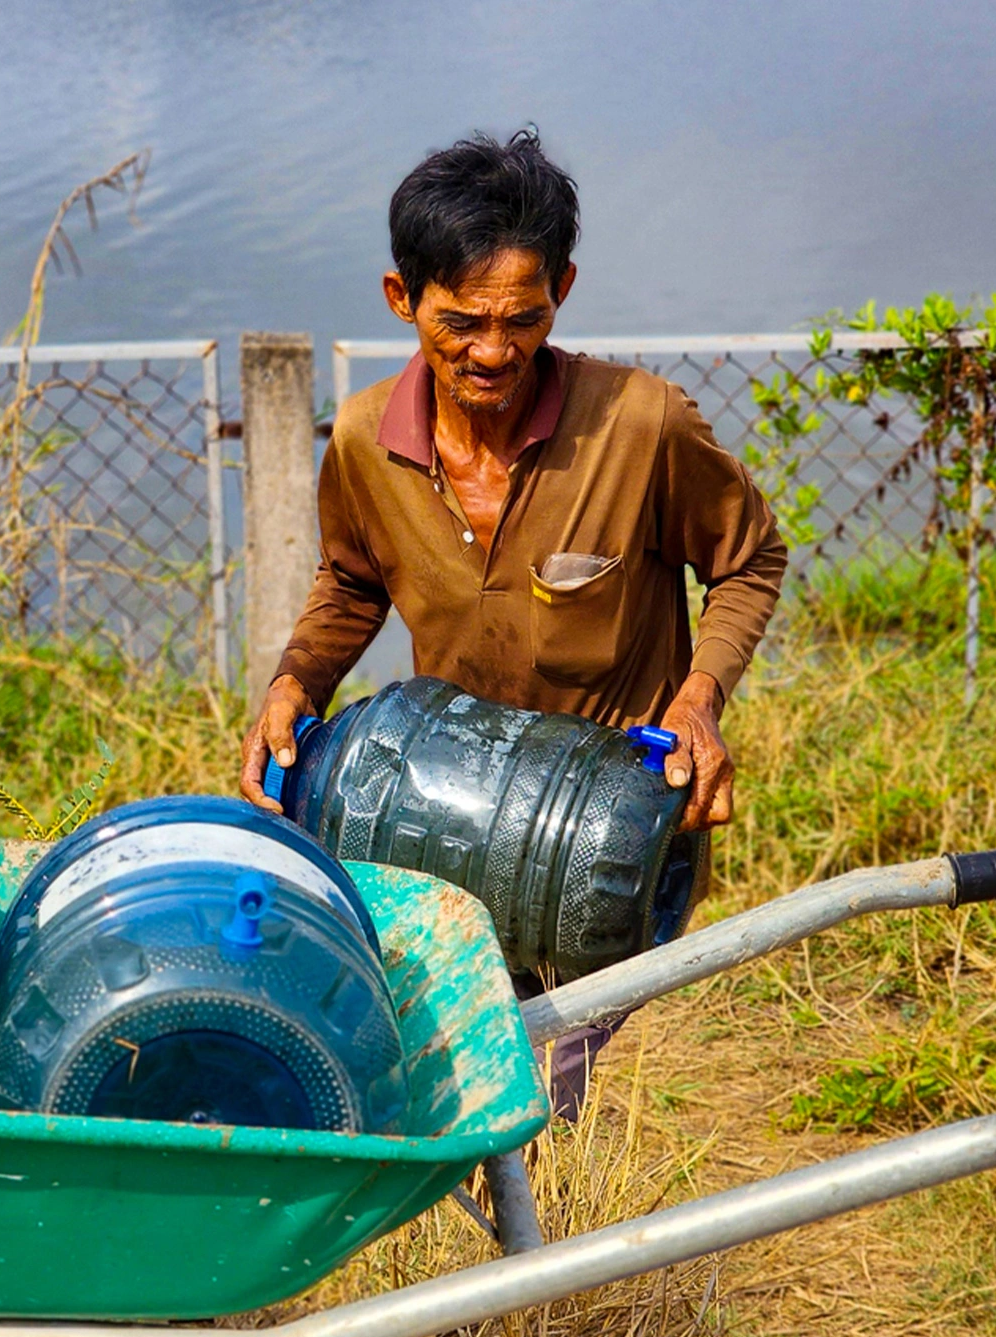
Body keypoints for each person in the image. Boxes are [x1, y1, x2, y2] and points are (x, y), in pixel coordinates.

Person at [237, 129, 788, 1119]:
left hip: (612, 840)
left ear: (563, 291)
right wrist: (295, 683)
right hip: (440, 815)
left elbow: (748, 560)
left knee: (534, 1087)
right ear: (401, 299)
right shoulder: (363, 441)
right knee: (430, 1067)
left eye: (521, 318)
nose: (493, 351)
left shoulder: (641, 426)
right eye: (460, 322)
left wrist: (700, 698)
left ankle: (547, 1266)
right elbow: (352, 583)